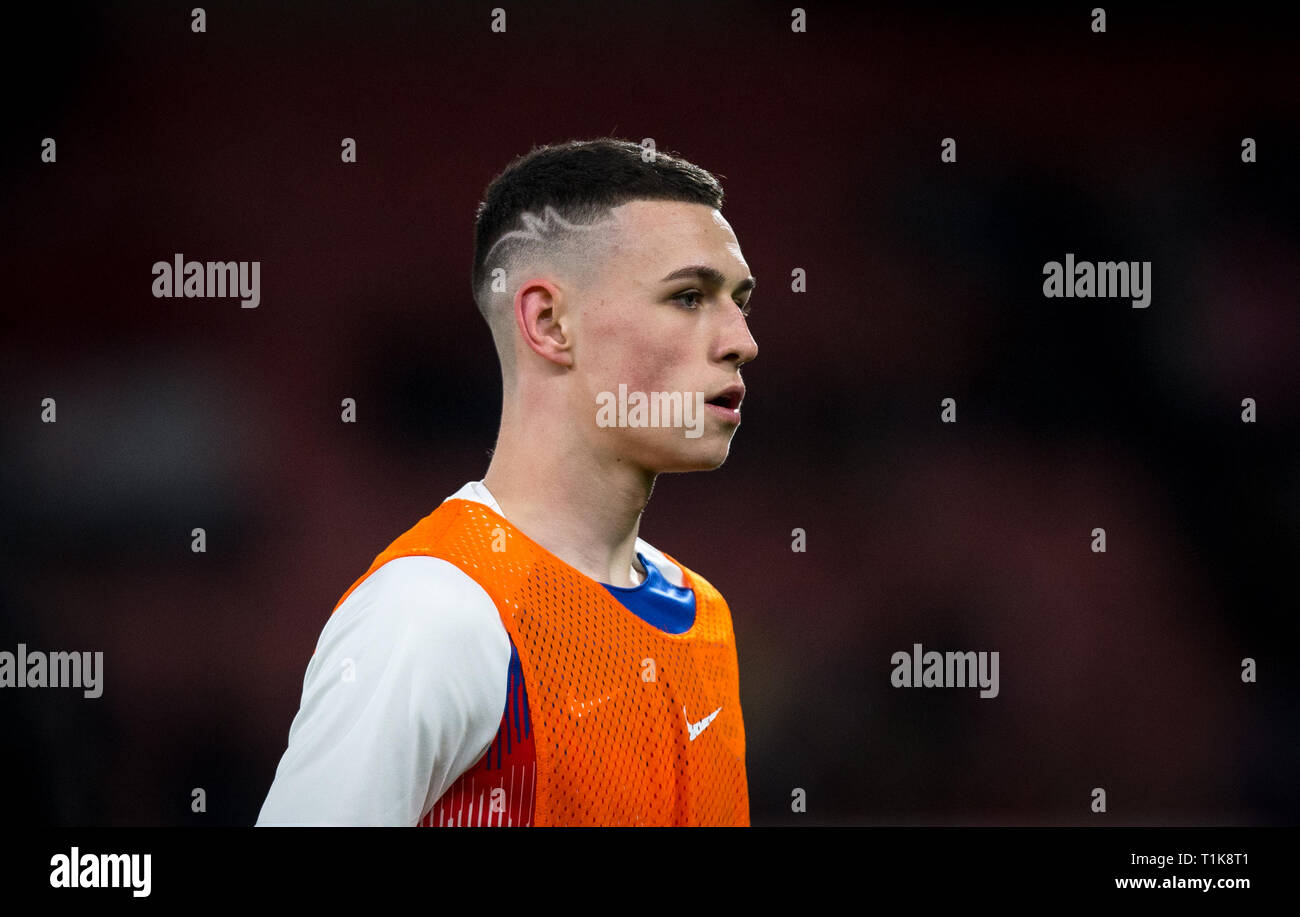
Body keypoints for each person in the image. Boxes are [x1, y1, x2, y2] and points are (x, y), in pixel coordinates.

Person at [257, 137, 758, 826]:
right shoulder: (434, 611)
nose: (740, 339)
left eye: (740, 300)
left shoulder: (703, 616)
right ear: (549, 323)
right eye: (689, 296)